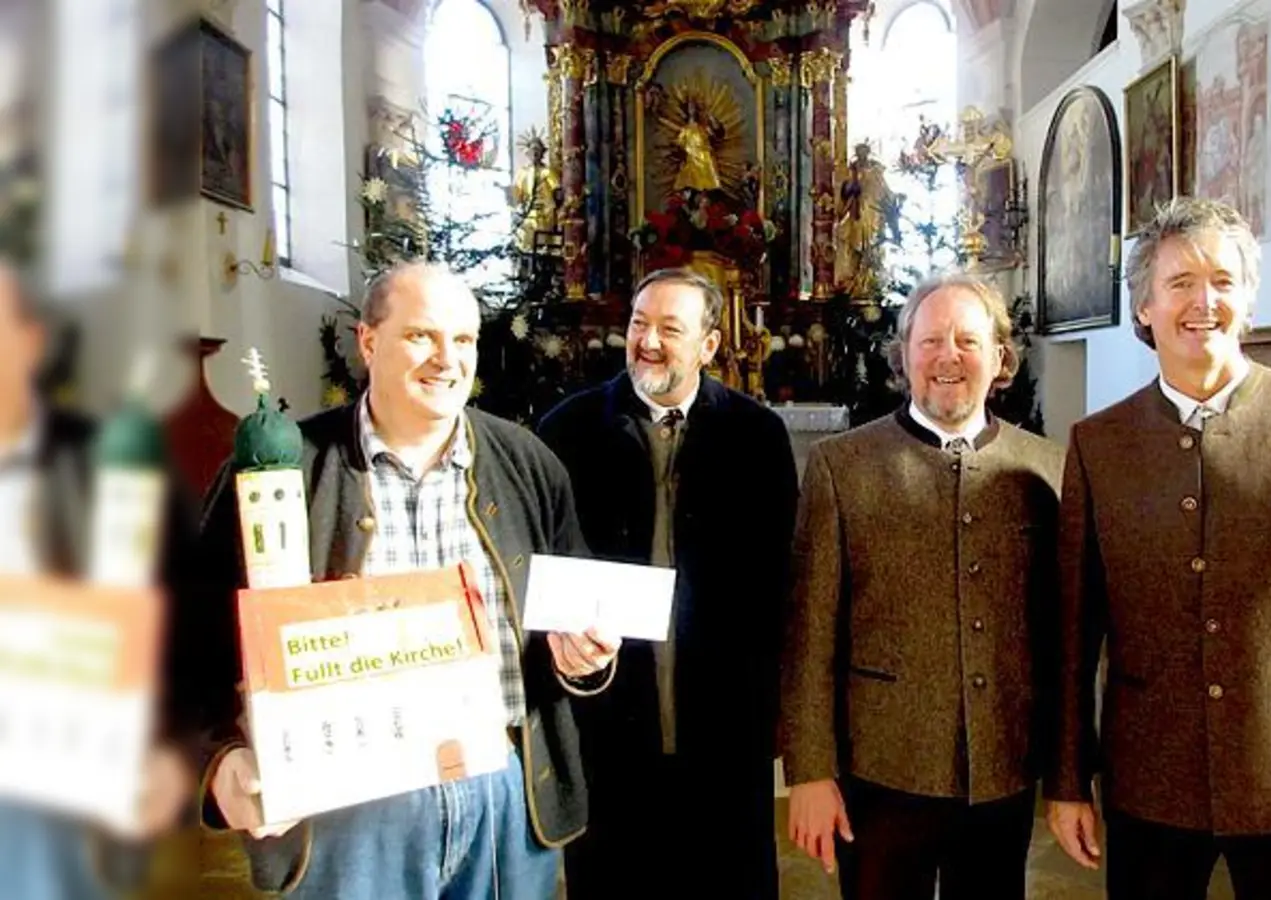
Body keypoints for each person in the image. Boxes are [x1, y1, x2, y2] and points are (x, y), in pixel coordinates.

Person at [193, 262, 617, 900]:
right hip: (349, 806)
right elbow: (185, 640)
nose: (448, 359)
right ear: (368, 342)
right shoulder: (284, 470)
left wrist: (583, 657)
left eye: (465, 340)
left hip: (502, 792)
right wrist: (221, 755)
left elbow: (573, 626)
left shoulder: (528, 463)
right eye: (422, 336)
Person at [1046, 196, 1271, 899]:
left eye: (1223, 282)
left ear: (1249, 301)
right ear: (1144, 307)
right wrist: (1066, 782)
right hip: (1150, 784)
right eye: (1179, 283)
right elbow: (1073, 631)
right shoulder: (1099, 444)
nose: (1202, 301)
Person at [780, 272, 1064, 900]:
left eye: (968, 340)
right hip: (880, 766)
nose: (948, 357)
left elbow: (1061, 633)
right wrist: (809, 771)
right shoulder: (841, 466)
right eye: (930, 340)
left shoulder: (1048, 467)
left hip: (1002, 765)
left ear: (999, 358)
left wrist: (1067, 773)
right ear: (903, 356)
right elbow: (809, 635)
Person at [538, 267, 798, 899]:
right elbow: (542, 567)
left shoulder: (757, 435)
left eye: (669, 328)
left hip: (724, 736)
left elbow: (781, 588)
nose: (647, 341)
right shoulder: (566, 431)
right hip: (609, 730)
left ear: (709, 345)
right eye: (638, 323)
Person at [0, 261, 201, 900]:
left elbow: (190, 620)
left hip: (80, 788)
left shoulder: (120, 467)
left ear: (31, 340)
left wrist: (174, 752)